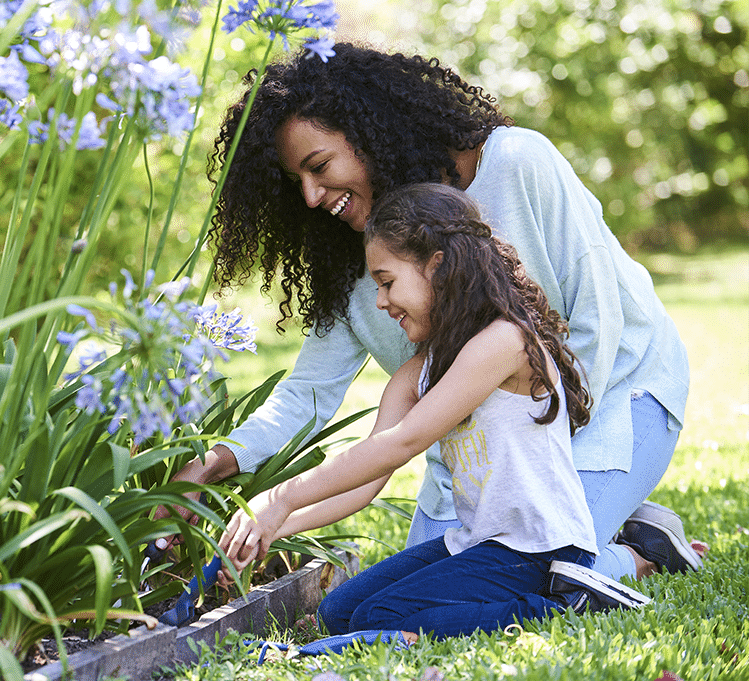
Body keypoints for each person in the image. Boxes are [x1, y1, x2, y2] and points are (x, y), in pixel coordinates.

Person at [163, 42, 700, 582]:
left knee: (539, 572)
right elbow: (306, 394)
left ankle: (638, 555)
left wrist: (540, 475)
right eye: (294, 181)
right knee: (424, 583)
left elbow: (598, 321)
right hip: (479, 458)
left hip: (614, 400)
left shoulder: (515, 163)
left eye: (319, 166)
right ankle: (621, 525)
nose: (309, 196)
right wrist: (217, 461)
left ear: (369, 132)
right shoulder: (356, 264)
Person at [220, 183, 651, 644]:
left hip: (539, 550)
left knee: (380, 617)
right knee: (339, 612)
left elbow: (402, 443)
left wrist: (281, 497)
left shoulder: (504, 342)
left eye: (387, 282)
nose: (381, 301)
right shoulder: (418, 371)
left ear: (438, 266)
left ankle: (567, 601)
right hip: (480, 543)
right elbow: (370, 473)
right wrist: (272, 528)